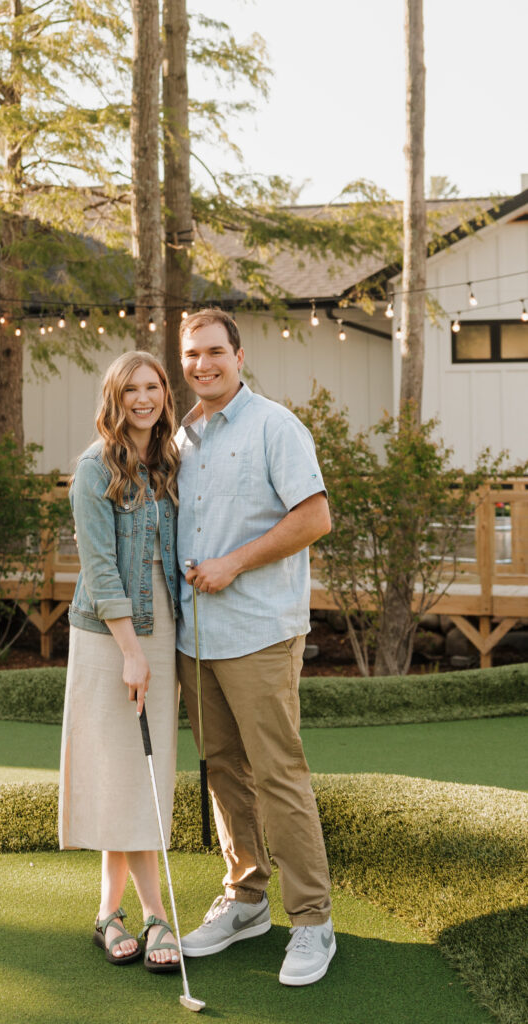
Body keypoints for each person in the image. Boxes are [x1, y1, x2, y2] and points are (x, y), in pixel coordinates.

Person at [175, 308, 335, 987]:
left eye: (213, 351)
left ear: (238, 356)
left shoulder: (275, 426)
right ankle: (244, 899)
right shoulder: (181, 437)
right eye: (190, 354)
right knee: (221, 770)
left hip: (260, 633)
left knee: (278, 775)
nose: (201, 364)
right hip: (194, 637)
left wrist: (234, 563)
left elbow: (314, 517)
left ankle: (311, 922)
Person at [58, 350, 181, 972]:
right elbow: (100, 569)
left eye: (152, 386)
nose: (143, 398)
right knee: (124, 770)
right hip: (112, 637)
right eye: (131, 388)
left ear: (164, 392)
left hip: (163, 625)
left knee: (140, 773)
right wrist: (131, 650)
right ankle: (157, 913)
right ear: (115, 396)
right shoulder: (92, 467)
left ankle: (109, 911)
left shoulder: (168, 463)